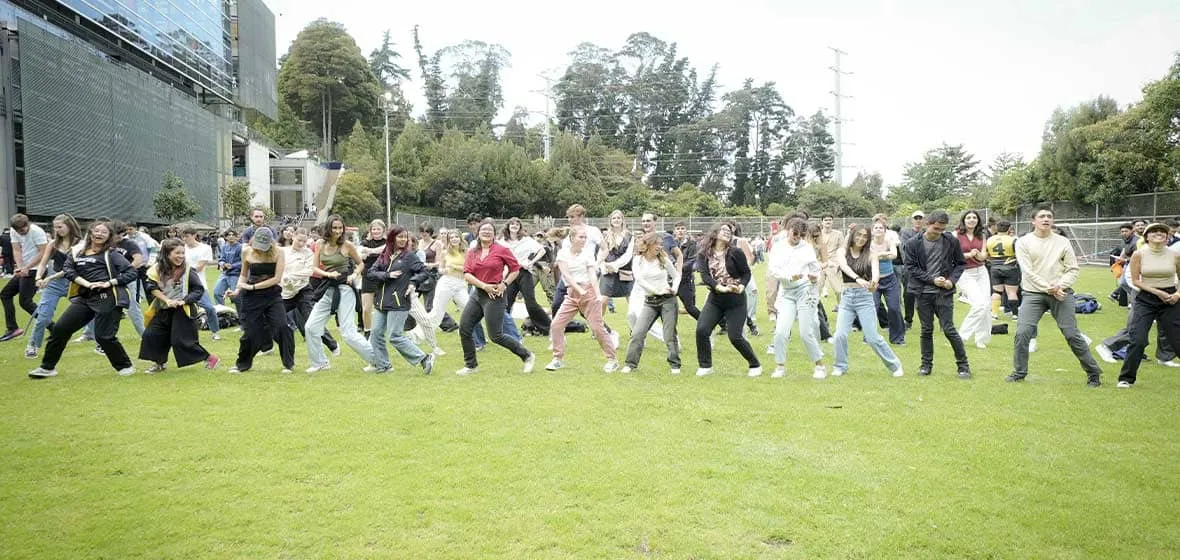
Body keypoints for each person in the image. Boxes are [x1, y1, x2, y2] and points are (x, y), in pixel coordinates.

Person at [1006, 205, 1104, 387]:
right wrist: (1048, 287)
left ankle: (1093, 373)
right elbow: (1027, 271)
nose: (1046, 219)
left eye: (1049, 216)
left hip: (1061, 293)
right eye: (1042, 216)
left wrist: (1060, 286)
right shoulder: (1023, 242)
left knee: (1072, 334)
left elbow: (1073, 268)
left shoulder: (1062, 242)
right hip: (1033, 293)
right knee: (1022, 333)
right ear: (1033, 221)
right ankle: (1019, 372)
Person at [29, 220, 138, 378]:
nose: (99, 234)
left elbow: (131, 272)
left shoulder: (111, 254)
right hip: (85, 298)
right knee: (60, 329)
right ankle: (47, 367)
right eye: (97, 231)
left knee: (103, 336)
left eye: (104, 232)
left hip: (108, 298)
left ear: (109, 237)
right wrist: (85, 283)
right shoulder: (77, 253)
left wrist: (109, 282)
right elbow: (68, 270)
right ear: (91, 233)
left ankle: (125, 366)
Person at [457, 220, 536, 375]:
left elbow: (515, 269)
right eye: (483, 229)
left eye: (490, 230)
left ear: (494, 234)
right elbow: (467, 274)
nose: (486, 232)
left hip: (495, 295)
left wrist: (504, 284)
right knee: (465, 328)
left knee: (496, 336)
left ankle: (527, 355)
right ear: (478, 233)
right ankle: (471, 366)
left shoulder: (501, 249)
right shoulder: (472, 252)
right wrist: (483, 286)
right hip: (478, 293)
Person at [902, 210, 971, 379]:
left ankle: (963, 366)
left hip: (944, 293)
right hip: (923, 292)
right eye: (936, 228)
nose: (939, 232)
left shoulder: (950, 241)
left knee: (949, 329)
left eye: (942, 229)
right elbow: (911, 268)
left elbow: (960, 264)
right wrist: (932, 279)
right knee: (926, 330)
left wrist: (951, 281)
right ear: (927, 224)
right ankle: (926, 365)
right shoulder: (912, 243)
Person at [304, 215, 376, 373]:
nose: (337, 231)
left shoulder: (347, 245)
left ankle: (378, 361)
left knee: (348, 332)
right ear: (328, 228)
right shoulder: (319, 244)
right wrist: (328, 274)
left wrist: (354, 275)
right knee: (311, 327)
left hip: (345, 289)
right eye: (334, 227)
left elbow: (361, 264)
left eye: (340, 228)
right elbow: (314, 267)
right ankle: (320, 362)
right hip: (328, 287)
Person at [139, 238, 221, 373]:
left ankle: (210, 358)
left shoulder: (188, 270)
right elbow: (151, 287)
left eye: (183, 253)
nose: (181, 256)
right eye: (177, 253)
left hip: (183, 310)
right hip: (163, 308)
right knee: (152, 335)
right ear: (167, 254)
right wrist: (167, 300)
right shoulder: (156, 269)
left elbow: (198, 289)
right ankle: (159, 363)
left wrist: (184, 300)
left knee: (180, 340)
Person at [833, 226, 904, 377]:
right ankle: (840, 366)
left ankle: (895, 365)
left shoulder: (872, 255)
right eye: (858, 235)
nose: (861, 238)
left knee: (872, 337)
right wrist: (858, 279)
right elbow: (844, 267)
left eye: (865, 236)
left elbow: (876, 273)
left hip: (864, 298)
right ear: (852, 235)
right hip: (847, 297)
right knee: (839, 335)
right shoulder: (842, 252)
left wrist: (874, 283)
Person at [1115, 222, 1180, 387]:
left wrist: (1177, 295)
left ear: (1167, 236)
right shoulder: (1139, 254)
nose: (1159, 234)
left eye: (1162, 232)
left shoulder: (1175, 255)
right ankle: (1126, 378)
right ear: (1147, 237)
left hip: (1170, 298)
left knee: (1177, 340)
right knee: (1138, 340)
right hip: (1146, 299)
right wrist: (1158, 292)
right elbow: (1136, 280)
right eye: (1154, 231)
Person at [547, 225, 617, 372]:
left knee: (597, 328)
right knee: (556, 325)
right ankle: (557, 359)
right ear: (572, 238)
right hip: (573, 293)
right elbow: (566, 275)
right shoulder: (562, 254)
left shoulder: (588, 253)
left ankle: (612, 359)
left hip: (588, 292)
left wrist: (597, 294)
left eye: (585, 237)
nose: (584, 240)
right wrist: (578, 290)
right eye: (581, 237)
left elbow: (592, 274)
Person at [694, 222, 761, 377]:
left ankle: (755, 364)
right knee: (702, 330)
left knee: (735, 336)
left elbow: (746, 274)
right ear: (715, 232)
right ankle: (705, 366)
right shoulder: (703, 254)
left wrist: (742, 287)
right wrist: (719, 287)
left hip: (736, 299)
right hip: (716, 298)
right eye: (724, 229)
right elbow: (704, 276)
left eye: (730, 231)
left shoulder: (735, 252)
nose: (728, 232)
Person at [366, 225, 435, 375]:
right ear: (392, 238)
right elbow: (371, 272)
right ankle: (384, 365)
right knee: (376, 333)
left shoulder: (409, 256)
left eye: (405, 237)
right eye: (400, 237)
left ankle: (424, 358)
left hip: (399, 302)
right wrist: (387, 275)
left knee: (394, 336)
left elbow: (424, 272)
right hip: (381, 302)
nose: (403, 240)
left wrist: (413, 282)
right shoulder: (385, 254)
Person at [227, 227, 296, 373]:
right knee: (251, 332)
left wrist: (253, 287)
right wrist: (237, 290)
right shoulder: (246, 251)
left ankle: (288, 364)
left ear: (271, 242)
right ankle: (242, 364)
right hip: (252, 298)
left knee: (282, 326)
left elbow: (276, 279)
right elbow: (244, 275)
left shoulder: (279, 252)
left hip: (272, 295)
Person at [765, 217, 825, 379]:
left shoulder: (806, 248)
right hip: (787, 291)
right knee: (780, 331)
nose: (797, 237)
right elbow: (773, 270)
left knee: (806, 332)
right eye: (795, 233)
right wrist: (789, 276)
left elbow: (815, 269)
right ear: (788, 231)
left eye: (801, 235)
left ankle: (819, 366)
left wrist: (815, 277)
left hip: (805, 290)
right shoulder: (778, 247)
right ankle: (780, 366)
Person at [621, 232, 681, 374]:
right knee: (637, 333)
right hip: (650, 302)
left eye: (661, 245)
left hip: (668, 301)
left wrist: (674, 289)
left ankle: (675, 365)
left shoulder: (663, 260)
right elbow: (640, 280)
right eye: (657, 244)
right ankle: (630, 364)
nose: (660, 247)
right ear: (648, 244)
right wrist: (656, 291)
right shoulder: (638, 260)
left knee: (669, 334)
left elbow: (676, 275)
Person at [25, 214, 83, 359]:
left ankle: (99, 341)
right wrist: (38, 277)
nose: (57, 230)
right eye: (55, 227)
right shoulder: (52, 244)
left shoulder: (80, 244)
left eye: (60, 227)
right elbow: (43, 263)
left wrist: (49, 277)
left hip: (74, 283)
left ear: (69, 226)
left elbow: (71, 269)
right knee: (43, 317)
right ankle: (33, 345)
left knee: (89, 312)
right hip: (54, 285)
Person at [280, 228, 340, 355]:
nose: (301, 243)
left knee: (312, 320)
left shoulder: (308, 253)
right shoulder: (283, 252)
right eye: (299, 240)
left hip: (303, 291)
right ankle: (266, 346)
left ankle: (333, 346)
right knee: (273, 318)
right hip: (285, 292)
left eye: (304, 241)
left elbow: (309, 271)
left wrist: (291, 276)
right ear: (293, 237)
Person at [499, 217, 551, 332]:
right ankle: (504, 328)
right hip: (510, 274)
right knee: (506, 303)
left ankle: (547, 327)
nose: (514, 226)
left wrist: (531, 262)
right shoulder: (502, 242)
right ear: (508, 226)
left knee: (530, 303)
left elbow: (542, 250)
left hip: (524, 273)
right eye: (512, 224)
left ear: (520, 227)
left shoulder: (526, 240)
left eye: (517, 224)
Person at [1, 214, 48, 341]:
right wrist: (21, 267)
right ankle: (13, 329)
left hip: (37, 269)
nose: (22, 232)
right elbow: (16, 249)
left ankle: (54, 329)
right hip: (26, 269)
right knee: (5, 294)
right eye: (19, 231)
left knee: (25, 302)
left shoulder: (37, 232)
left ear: (28, 224)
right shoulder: (13, 231)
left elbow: (43, 252)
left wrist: (27, 267)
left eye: (23, 230)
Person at [955, 210, 992, 349]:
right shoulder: (956, 235)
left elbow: (984, 255)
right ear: (964, 220)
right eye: (969, 217)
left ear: (978, 220)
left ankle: (981, 339)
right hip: (965, 272)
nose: (971, 220)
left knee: (986, 305)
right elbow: (953, 255)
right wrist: (968, 254)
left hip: (981, 271)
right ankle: (961, 337)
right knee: (979, 304)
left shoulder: (981, 235)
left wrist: (978, 255)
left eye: (974, 218)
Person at [180, 227, 221, 340]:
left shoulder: (205, 248)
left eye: (187, 236)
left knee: (209, 308)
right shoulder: (181, 248)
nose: (185, 239)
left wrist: (184, 268)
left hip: (198, 284)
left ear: (194, 235)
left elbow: (199, 268)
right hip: (181, 284)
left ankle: (215, 331)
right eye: (183, 236)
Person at [871, 219, 904, 345]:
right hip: (873, 280)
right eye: (876, 228)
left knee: (894, 308)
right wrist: (885, 254)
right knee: (873, 307)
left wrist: (878, 254)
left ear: (885, 231)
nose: (878, 229)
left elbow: (894, 255)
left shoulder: (889, 241)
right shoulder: (869, 244)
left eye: (881, 228)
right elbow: (869, 258)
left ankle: (897, 338)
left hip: (890, 279)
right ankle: (869, 337)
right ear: (872, 231)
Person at [357, 219, 387, 335]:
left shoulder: (387, 242)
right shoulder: (365, 242)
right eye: (374, 229)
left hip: (382, 276)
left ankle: (380, 330)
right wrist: (371, 252)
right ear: (370, 230)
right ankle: (367, 331)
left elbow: (384, 250)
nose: (376, 231)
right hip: (368, 276)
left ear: (383, 230)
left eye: (378, 229)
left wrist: (369, 251)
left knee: (382, 307)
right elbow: (360, 255)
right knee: (366, 308)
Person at [987, 221, 1021, 320]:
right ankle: (1015, 315)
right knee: (1012, 292)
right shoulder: (1013, 240)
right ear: (1009, 228)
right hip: (1010, 267)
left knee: (996, 292)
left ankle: (994, 314)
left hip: (995, 268)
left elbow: (987, 253)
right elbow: (1019, 254)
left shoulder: (990, 240)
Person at [899, 211, 926, 329]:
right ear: (912, 220)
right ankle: (908, 320)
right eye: (916, 218)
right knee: (908, 294)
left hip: (925, 268)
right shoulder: (905, 232)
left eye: (920, 218)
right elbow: (907, 247)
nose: (918, 220)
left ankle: (928, 320)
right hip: (910, 268)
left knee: (927, 295)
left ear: (924, 220)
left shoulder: (927, 232)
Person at [673, 221, 701, 319]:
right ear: (674, 231)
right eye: (678, 229)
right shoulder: (672, 244)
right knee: (664, 305)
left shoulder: (692, 244)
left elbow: (692, 260)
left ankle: (709, 324)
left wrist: (679, 266)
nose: (680, 231)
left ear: (686, 230)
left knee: (690, 308)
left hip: (685, 280)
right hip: (671, 279)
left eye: (682, 228)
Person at [213, 229, 242, 314]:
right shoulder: (224, 246)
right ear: (225, 237)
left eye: (233, 235)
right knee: (217, 292)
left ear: (237, 237)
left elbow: (243, 262)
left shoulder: (240, 247)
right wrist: (223, 263)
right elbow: (221, 259)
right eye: (229, 235)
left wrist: (233, 266)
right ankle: (223, 313)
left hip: (236, 275)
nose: (231, 236)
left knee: (236, 297)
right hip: (225, 274)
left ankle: (241, 317)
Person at [818, 214, 845, 303]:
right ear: (822, 222)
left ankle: (842, 310)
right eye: (825, 220)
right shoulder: (817, 234)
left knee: (839, 290)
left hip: (833, 264)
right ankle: (815, 313)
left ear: (832, 222)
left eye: (830, 220)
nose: (828, 221)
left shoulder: (838, 234)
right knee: (816, 290)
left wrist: (839, 263)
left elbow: (842, 249)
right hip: (820, 264)